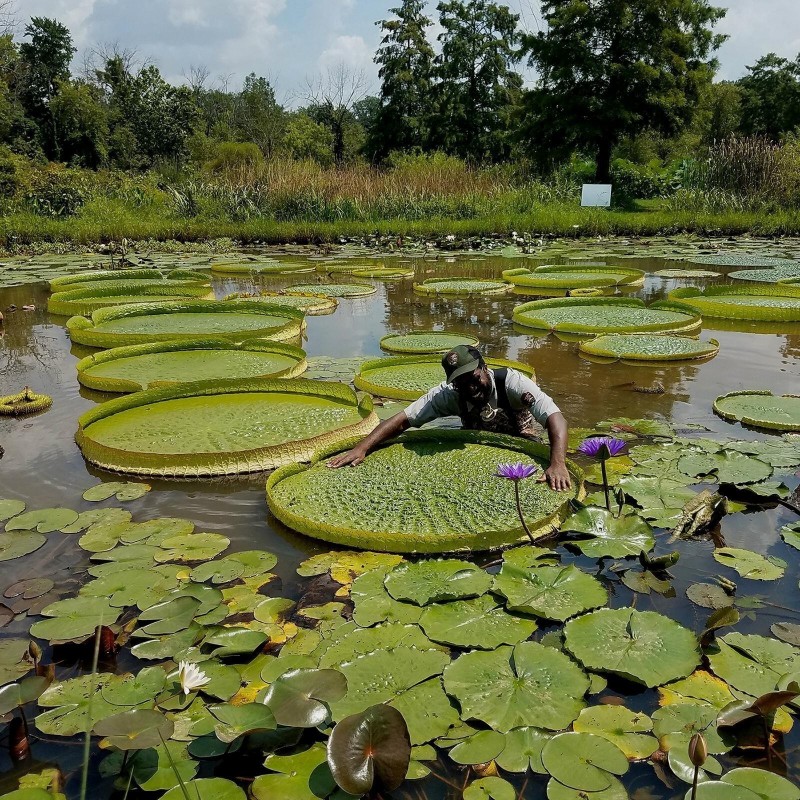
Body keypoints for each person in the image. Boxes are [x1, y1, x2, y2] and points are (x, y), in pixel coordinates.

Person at [328, 344, 571, 491]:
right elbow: (403, 419)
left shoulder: (513, 383)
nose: (471, 388)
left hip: (521, 437)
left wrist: (557, 463)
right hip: (478, 445)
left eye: (475, 378)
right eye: (462, 384)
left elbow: (554, 417)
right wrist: (363, 447)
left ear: (484, 368)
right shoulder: (446, 395)